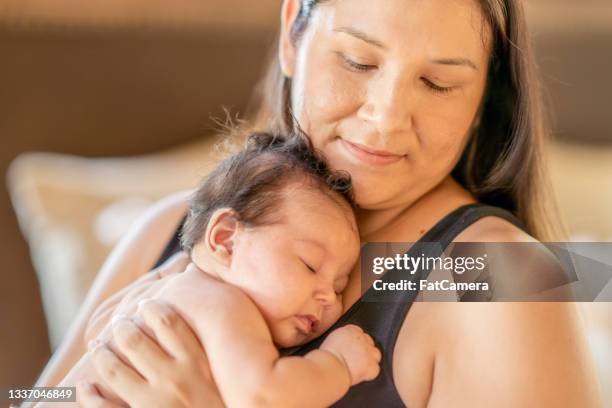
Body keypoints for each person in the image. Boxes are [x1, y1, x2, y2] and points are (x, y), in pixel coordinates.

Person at [36, 0, 601, 406]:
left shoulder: (504, 277)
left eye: (436, 84)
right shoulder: (170, 227)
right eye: (357, 60)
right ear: (292, 35)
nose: (384, 119)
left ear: (483, 97)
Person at [40, 133, 381, 407]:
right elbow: (263, 397)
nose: (328, 298)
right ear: (226, 239)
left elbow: (94, 336)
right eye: (309, 265)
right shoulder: (225, 305)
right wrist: (338, 363)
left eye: (339, 287)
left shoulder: (164, 286)